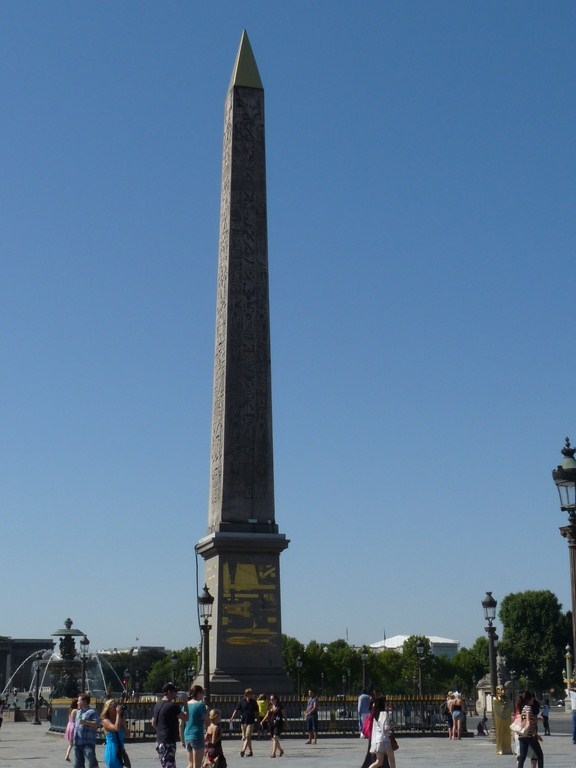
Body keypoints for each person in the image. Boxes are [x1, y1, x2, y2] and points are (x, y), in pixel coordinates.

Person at [152, 682, 188, 768]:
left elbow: (153, 723)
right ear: (169, 692)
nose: (175, 694)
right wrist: (185, 703)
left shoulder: (157, 705)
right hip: (168, 741)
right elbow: (185, 717)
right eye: (174, 692)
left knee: (164, 765)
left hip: (159, 740)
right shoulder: (172, 706)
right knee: (169, 765)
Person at [180, 685, 208, 768]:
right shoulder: (201, 705)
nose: (204, 695)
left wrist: (182, 739)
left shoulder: (185, 705)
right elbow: (208, 723)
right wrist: (207, 711)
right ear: (198, 693)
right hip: (197, 735)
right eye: (203, 693)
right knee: (197, 765)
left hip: (187, 736)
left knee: (190, 764)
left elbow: (181, 724)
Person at [516, 691, 544, 768]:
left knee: (522, 756)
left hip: (522, 736)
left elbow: (524, 720)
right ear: (528, 699)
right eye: (531, 698)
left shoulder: (522, 708)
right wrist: (532, 733)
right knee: (540, 755)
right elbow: (528, 721)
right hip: (529, 736)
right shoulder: (528, 707)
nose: (533, 700)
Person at [73, 693, 100, 768]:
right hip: (77, 743)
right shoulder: (78, 712)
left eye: (79, 701)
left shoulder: (92, 712)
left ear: (84, 701)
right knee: (77, 765)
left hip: (87, 743)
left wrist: (86, 722)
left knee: (91, 764)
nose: (77, 702)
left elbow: (97, 724)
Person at [230, 688, 259, 757]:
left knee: (247, 736)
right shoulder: (241, 701)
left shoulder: (254, 702)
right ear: (246, 694)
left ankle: (243, 750)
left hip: (251, 722)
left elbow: (257, 712)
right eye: (250, 694)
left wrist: (258, 720)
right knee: (246, 738)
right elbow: (236, 710)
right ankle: (251, 752)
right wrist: (232, 718)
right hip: (243, 722)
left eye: (252, 694)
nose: (251, 695)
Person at [368, 696, 396, 768]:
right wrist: (393, 725)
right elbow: (385, 728)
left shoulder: (375, 715)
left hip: (378, 741)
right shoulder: (383, 713)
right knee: (391, 760)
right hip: (385, 740)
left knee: (378, 762)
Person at [101, 698, 129, 768]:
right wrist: (118, 715)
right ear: (108, 708)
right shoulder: (105, 720)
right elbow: (116, 728)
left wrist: (124, 724)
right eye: (114, 706)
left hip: (120, 749)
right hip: (112, 750)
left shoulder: (119, 719)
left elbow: (128, 734)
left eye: (117, 705)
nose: (117, 708)